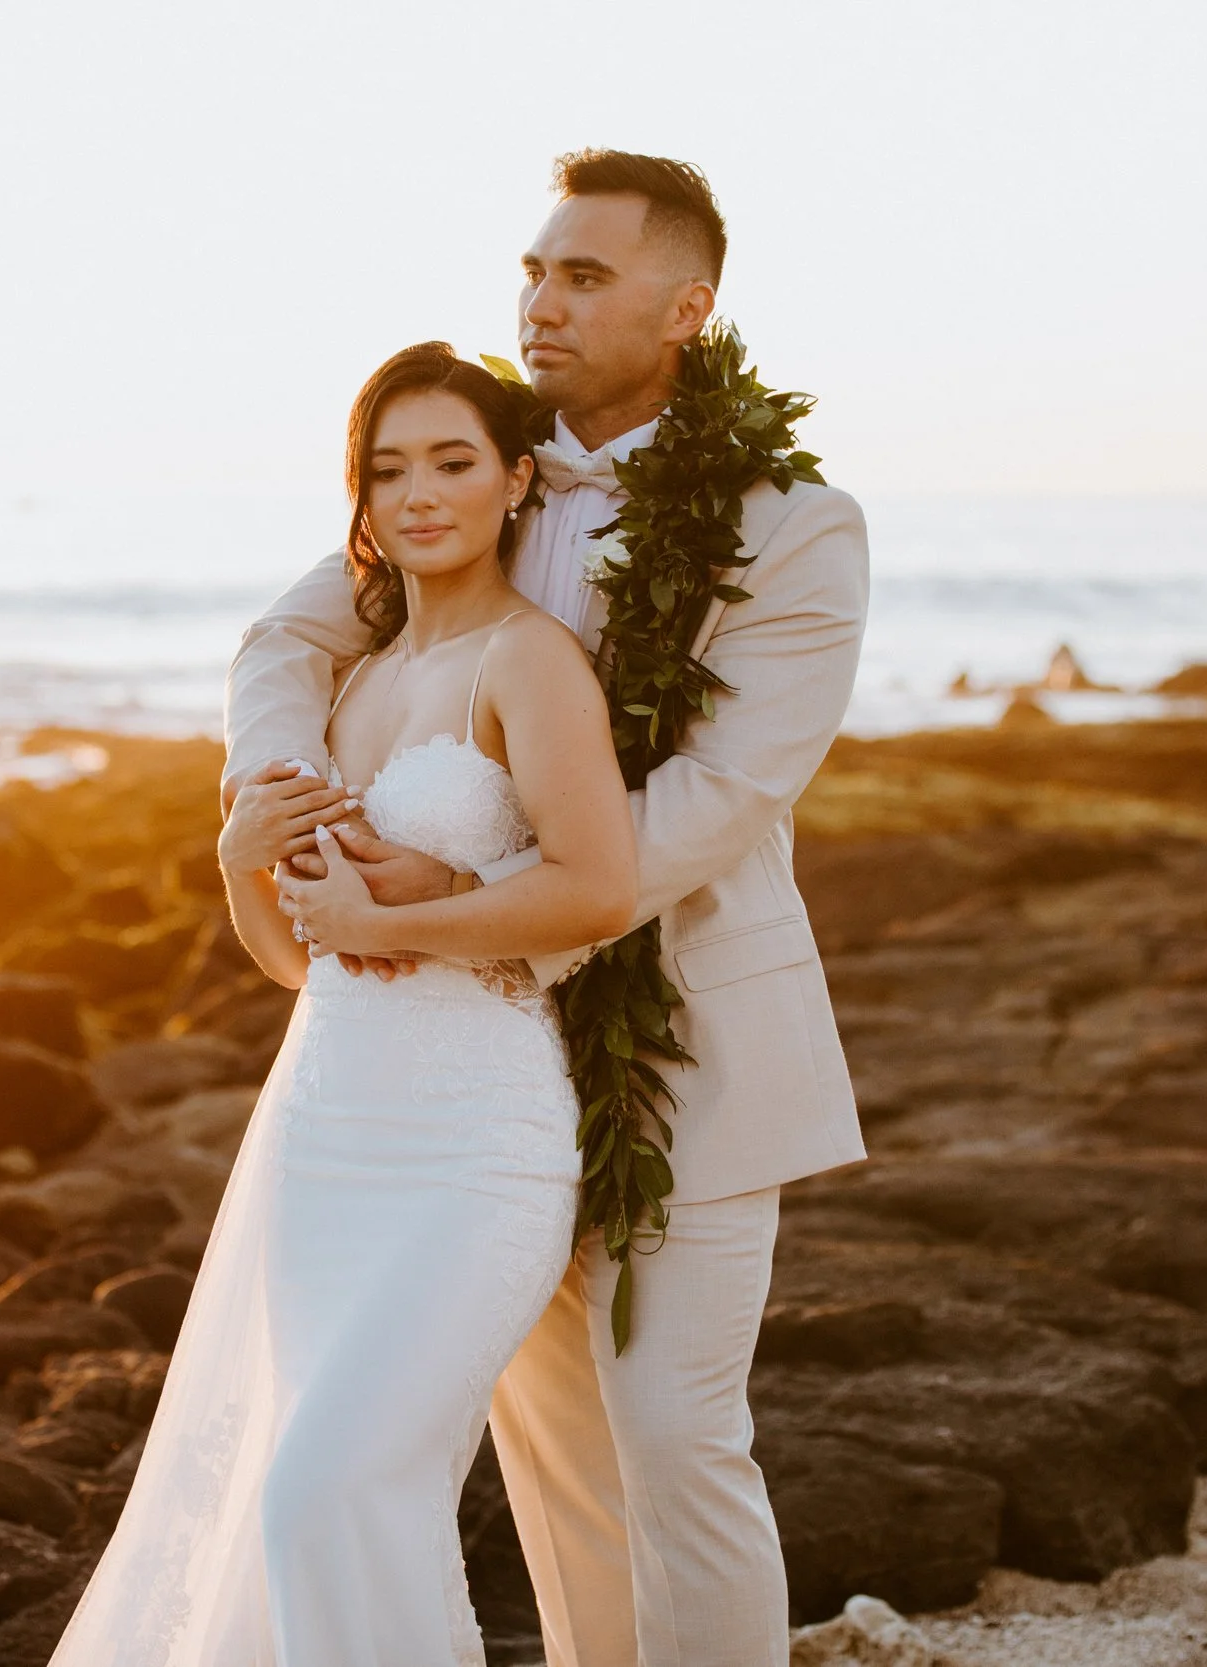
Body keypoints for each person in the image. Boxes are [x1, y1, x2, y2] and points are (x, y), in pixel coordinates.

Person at [227, 152, 870, 1666]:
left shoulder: (792, 525)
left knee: (676, 1433)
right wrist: (290, 803)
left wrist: (482, 899)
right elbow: (287, 638)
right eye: (533, 270)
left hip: (688, 1030)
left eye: (583, 276)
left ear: (686, 307)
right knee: (560, 1464)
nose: (542, 301)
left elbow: (723, 797)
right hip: (479, 1071)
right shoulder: (483, 470)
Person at [48, 342, 636, 1664]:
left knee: (333, 1480)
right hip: (327, 1132)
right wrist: (238, 857)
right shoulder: (354, 684)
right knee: (304, 1498)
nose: (418, 494)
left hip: (475, 1141)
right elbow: (301, 957)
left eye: (450, 461)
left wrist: (401, 916)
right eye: (386, 469)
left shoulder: (529, 664)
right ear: (358, 501)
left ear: (515, 479)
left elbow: (597, 887)